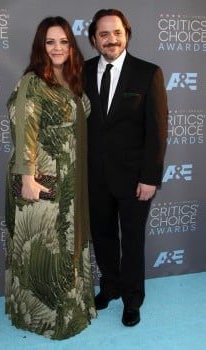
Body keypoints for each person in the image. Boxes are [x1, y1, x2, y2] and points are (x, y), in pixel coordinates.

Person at [5, 16, 96, 340]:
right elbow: (24, 130)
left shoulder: (71, 79)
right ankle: (45, 319)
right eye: (50, 42)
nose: (58, 48)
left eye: (64, 41)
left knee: (66, 242)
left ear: (71, 46)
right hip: (42, 178)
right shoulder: (33, 81)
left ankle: (71, 308)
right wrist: (27, 179)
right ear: (40, 47)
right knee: (46, 246)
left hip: (70, 178)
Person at [85, 9, 168, 327]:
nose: (111, 39)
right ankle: (110, 287)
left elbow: (158, 131)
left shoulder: (148, 73)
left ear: (127, 35)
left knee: (132, 241)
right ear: (94, 40)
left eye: (117, 32)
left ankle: (133, 300)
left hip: (135, 180)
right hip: (94, 177)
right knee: (103, 237)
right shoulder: (83, 71)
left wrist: (150, 177)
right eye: (104, 34)